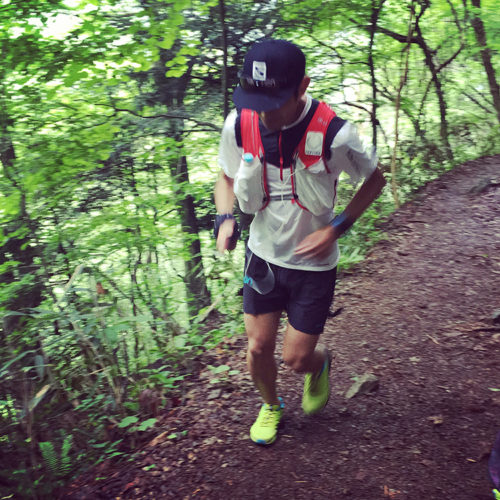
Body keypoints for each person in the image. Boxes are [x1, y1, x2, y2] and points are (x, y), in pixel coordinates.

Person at [214, 39, 386, 445]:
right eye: (255, 101)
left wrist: (336, 227)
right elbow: (225, 176)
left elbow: (375, 180)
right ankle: (271, 405)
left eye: (273, 102)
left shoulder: (336, 136)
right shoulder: (238, 125)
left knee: (296, 358)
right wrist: (224, 218)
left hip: (314, 267)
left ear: (302, 86)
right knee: (258, 347)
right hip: (263, 256)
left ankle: (319, 364)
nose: (263, 113)